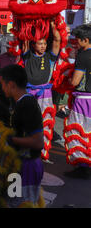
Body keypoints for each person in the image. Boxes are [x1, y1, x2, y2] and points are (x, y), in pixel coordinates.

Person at [0, 65, 44, 207]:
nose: (2, 88)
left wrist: (8, 140)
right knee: (12, 202)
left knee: (24, 204)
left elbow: (38, 142)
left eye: (2, 84)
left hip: (28, 166)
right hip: (17, 164)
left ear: (11, 84)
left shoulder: (28, 104)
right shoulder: (19, 102)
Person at [21, 21, 60, 160]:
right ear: (33, 45)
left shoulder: (50, 57)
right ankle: (28, 148)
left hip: (45, 94)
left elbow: (57, 40)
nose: (43, 46)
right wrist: (27, 20)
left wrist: (53, 25)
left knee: (45, 122)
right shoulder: (27, 55)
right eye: (40, 43)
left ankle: (42, 151)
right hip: (29, 94)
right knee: (28, 122)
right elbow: (24, 37)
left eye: (44, 44)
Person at [64, 24, 91, 179]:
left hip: (84, 99)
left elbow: (75, 81)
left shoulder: (83, 56)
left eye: (78, 39)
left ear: (85, 40)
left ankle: (82, 165)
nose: (75, 42)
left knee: (77, 131)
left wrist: (67, 77)